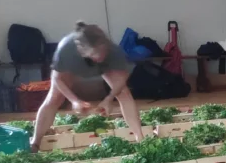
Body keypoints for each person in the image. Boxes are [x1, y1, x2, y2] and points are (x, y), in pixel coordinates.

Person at [31, 22, 143, 152]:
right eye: (96, 54)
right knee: (54, 98)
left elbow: (122, 79)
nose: (101, 55)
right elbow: (57, 79)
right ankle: (35, 143)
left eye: (103, 51)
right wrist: (74, 101)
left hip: (104, 67)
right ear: (82, 50)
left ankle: (140, 138)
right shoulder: (67, 49)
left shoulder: (113, 51)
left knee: (124, 93)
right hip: (73, 66)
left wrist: (109, 99)